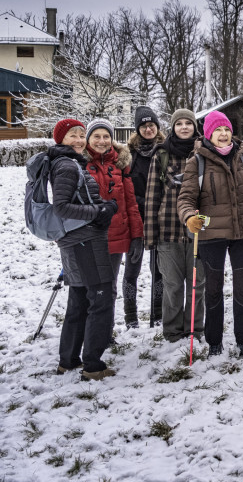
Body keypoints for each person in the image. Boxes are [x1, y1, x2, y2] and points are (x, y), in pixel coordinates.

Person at [177, 111, 243, 358]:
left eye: (226, 129)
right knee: (214, 288)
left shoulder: (241, 159)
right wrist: (188, 217)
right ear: (208, 134)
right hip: (211, 234)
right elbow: (186, 198)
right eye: (217, 130)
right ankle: (215, 342)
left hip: (242, 232)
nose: (223, 134)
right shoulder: (197, 161)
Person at [49, 119, 118, 380]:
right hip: (84, 241)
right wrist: (99, 211)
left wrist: (102, 205)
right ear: (60, 140)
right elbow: (62, 207)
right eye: (72, 136)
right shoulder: (67, 165)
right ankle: (93, 365)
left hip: (76, 240)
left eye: (80, 135)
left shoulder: (69, 162)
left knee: (78, 300)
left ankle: (67, 360)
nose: (78, 140)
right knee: (100, 301)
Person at [144, 108, 205, 343]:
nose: (184, 127)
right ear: (173, 127)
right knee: (172, 285)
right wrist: (150, 236)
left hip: (197, 231)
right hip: (168, 231)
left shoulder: (204, 154)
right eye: (179, 124)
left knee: (197, 284)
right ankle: (172, 332)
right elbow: (151, 197)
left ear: (194, 127)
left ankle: (195, 329)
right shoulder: (161, 155)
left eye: (188, 123)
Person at [84, 118, 144, 313]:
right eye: (96, 136)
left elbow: (130, 202)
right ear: (88, 138)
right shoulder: (80, 162)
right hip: (87, 236)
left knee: (109, 287)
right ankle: (87, 333)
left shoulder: (120, 164)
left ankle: (105, 332)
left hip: (116, 235)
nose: (102, 141)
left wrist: (136, 235)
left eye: (106, 136)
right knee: (88, 289)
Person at [126, 105, 164, 328]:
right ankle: (131, 316)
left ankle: (157, 315)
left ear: (157, 127)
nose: (148, 129)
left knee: (158, 268)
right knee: (133, 267)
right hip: (136, 218)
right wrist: (142, 203)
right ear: (137, 129)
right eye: (143, 125)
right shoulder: (130, 155)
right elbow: (127, 186)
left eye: (151, 125)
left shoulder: (165, 150)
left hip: (159, 218)